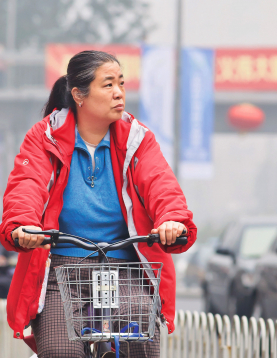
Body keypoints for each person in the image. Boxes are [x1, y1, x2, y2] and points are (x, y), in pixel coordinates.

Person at [0, 50, 197, 358]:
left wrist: (172, 220)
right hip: (61, 269)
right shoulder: (43, 137)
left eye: (121, 83)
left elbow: (162, 184)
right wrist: (23, 224)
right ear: (78, 94)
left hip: (127, 266)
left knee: (141, 346)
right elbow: (26, 185)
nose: (119, 93)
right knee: (59, 352)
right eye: (107, 85)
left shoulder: (138, 139)